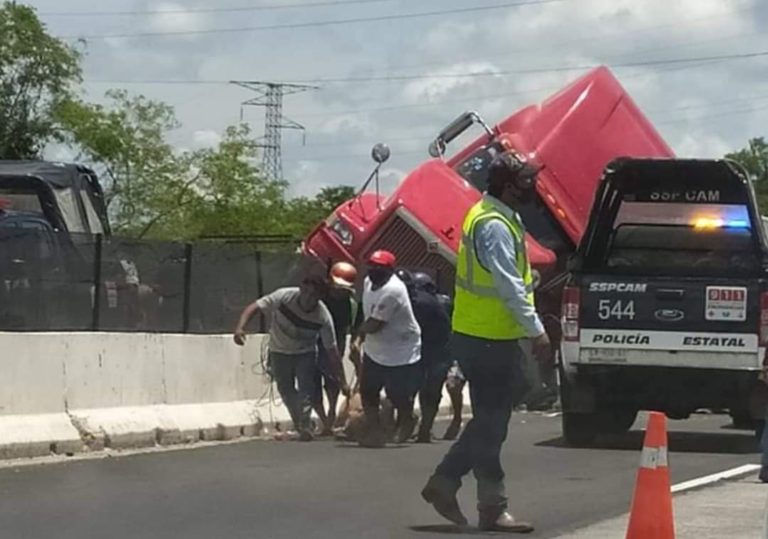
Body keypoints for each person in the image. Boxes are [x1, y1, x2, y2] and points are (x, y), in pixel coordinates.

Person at [421, 152, 551, 533]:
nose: (532, 187)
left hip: (490, 335)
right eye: (525, 181)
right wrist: (536, 328)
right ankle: (467, 492)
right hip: (487, 337)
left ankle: (463, 491)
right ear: (507, 185)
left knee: (492, 421)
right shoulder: (493, 224)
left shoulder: (498, 216)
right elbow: (507, 284)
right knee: (493, 422)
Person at [233, 275, 349, 441]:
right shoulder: (284, 297)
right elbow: (255, 307)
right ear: (301, 289)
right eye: (307, 293)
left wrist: (342, 380)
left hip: (305, 353)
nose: (309, 299)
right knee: (285, 389)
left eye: (314, 296)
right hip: (279, 351)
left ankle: (305, 424)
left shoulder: (323, 316)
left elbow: (332, 351)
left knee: (306, 389)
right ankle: (299, 422)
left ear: (320, 297)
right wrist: (240, 327)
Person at [350, 250, 422, 447]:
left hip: (400, 348)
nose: (374, 270)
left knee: (395, 392)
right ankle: (375, 431)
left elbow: (375, 325)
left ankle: (408, 418)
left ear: (390, 270)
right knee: (368, 390)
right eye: (372, 265)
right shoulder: (367, 282)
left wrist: (358, 336)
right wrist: (357, 340)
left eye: (380, 268)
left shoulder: (393, 290)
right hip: (376, 347)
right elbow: (365, 313)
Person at [401, 271, 453, 443]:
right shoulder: (429, 302)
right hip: (431, 350)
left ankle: (420, 428)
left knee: (424, 390)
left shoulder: (429, 303)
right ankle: (423, 428)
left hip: (437, 350)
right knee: (426, 391)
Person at [313, 261, 357, 436]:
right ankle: (324, 420)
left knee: (333, 383)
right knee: (312, 384)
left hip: (335, 345)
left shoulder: (350, 305)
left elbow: (352, 327)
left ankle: (331, 412)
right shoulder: (319, 299)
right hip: (313, 344)